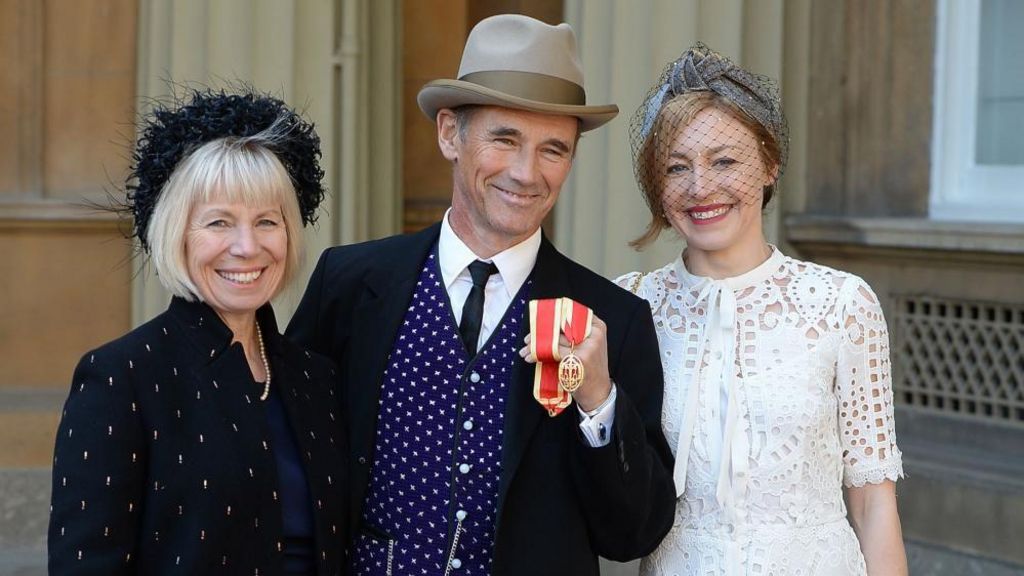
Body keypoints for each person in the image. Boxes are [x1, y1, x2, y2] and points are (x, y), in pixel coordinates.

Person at [286, 14, 676, 576]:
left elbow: (632, 534)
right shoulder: (349, 284)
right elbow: (292, 464)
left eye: (553, 149)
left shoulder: (612, 319)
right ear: (450, 133)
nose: (526, 172)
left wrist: (598, 401)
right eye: (505, 139)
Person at [616, 44, 908, 576]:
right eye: (677, 167)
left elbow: (873, 504)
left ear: (769, 165)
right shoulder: (632, 306)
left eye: (724, 160)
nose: (701, 187)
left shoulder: (843, 304)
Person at [48, 89, 348, 576]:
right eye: (219, 222)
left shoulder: (315, 376)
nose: (247, 247)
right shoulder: (120, 377)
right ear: (176, 233)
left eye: (267, 221)